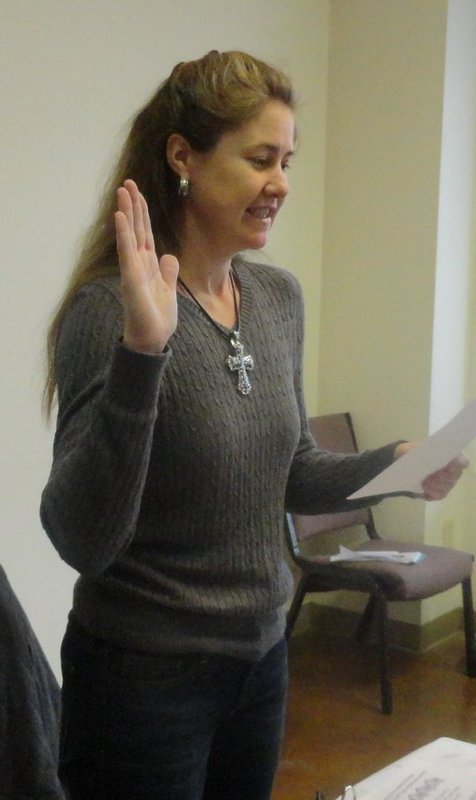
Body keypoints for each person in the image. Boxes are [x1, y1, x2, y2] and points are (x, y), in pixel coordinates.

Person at [40, 50, 468, 800]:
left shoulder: (276, 299)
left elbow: (293, 467)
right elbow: (83, 538)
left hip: (261, 661)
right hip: (144, 682)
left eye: (288, 160)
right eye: (260, 159)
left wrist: (396, 463)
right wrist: (146, 352)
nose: (282, 185)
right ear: (184, 157)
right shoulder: (107, 314)